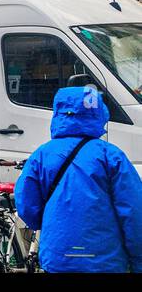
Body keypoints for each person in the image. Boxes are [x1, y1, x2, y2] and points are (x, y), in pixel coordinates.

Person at [15, 84, 142, 272]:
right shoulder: (112, 156)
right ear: (99, 115)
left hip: (57, 256)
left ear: (58, 113)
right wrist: (138, 259)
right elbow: (133, 212)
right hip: (104, 260)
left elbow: (26, 205)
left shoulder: (41, 156)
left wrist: (52, 223)